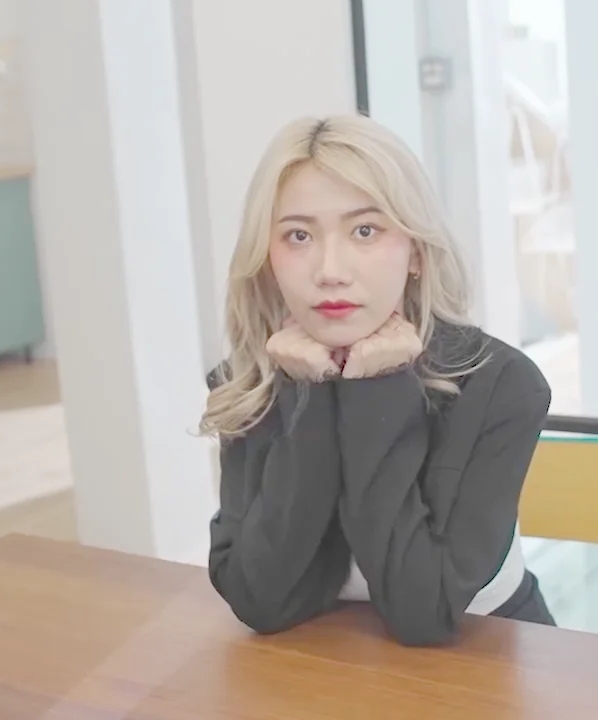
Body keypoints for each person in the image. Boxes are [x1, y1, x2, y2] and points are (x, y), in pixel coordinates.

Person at [201, 115, 554, 646]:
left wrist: (379, 388)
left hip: (487, 661)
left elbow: (424, 612)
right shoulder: (248, 384)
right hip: (324, 663)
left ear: (416, 251)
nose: (330, 270)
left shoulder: (501, 385)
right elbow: (260, 599)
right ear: (268, 259)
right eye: (298, 236)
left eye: (365, 231)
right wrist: (311, 396)